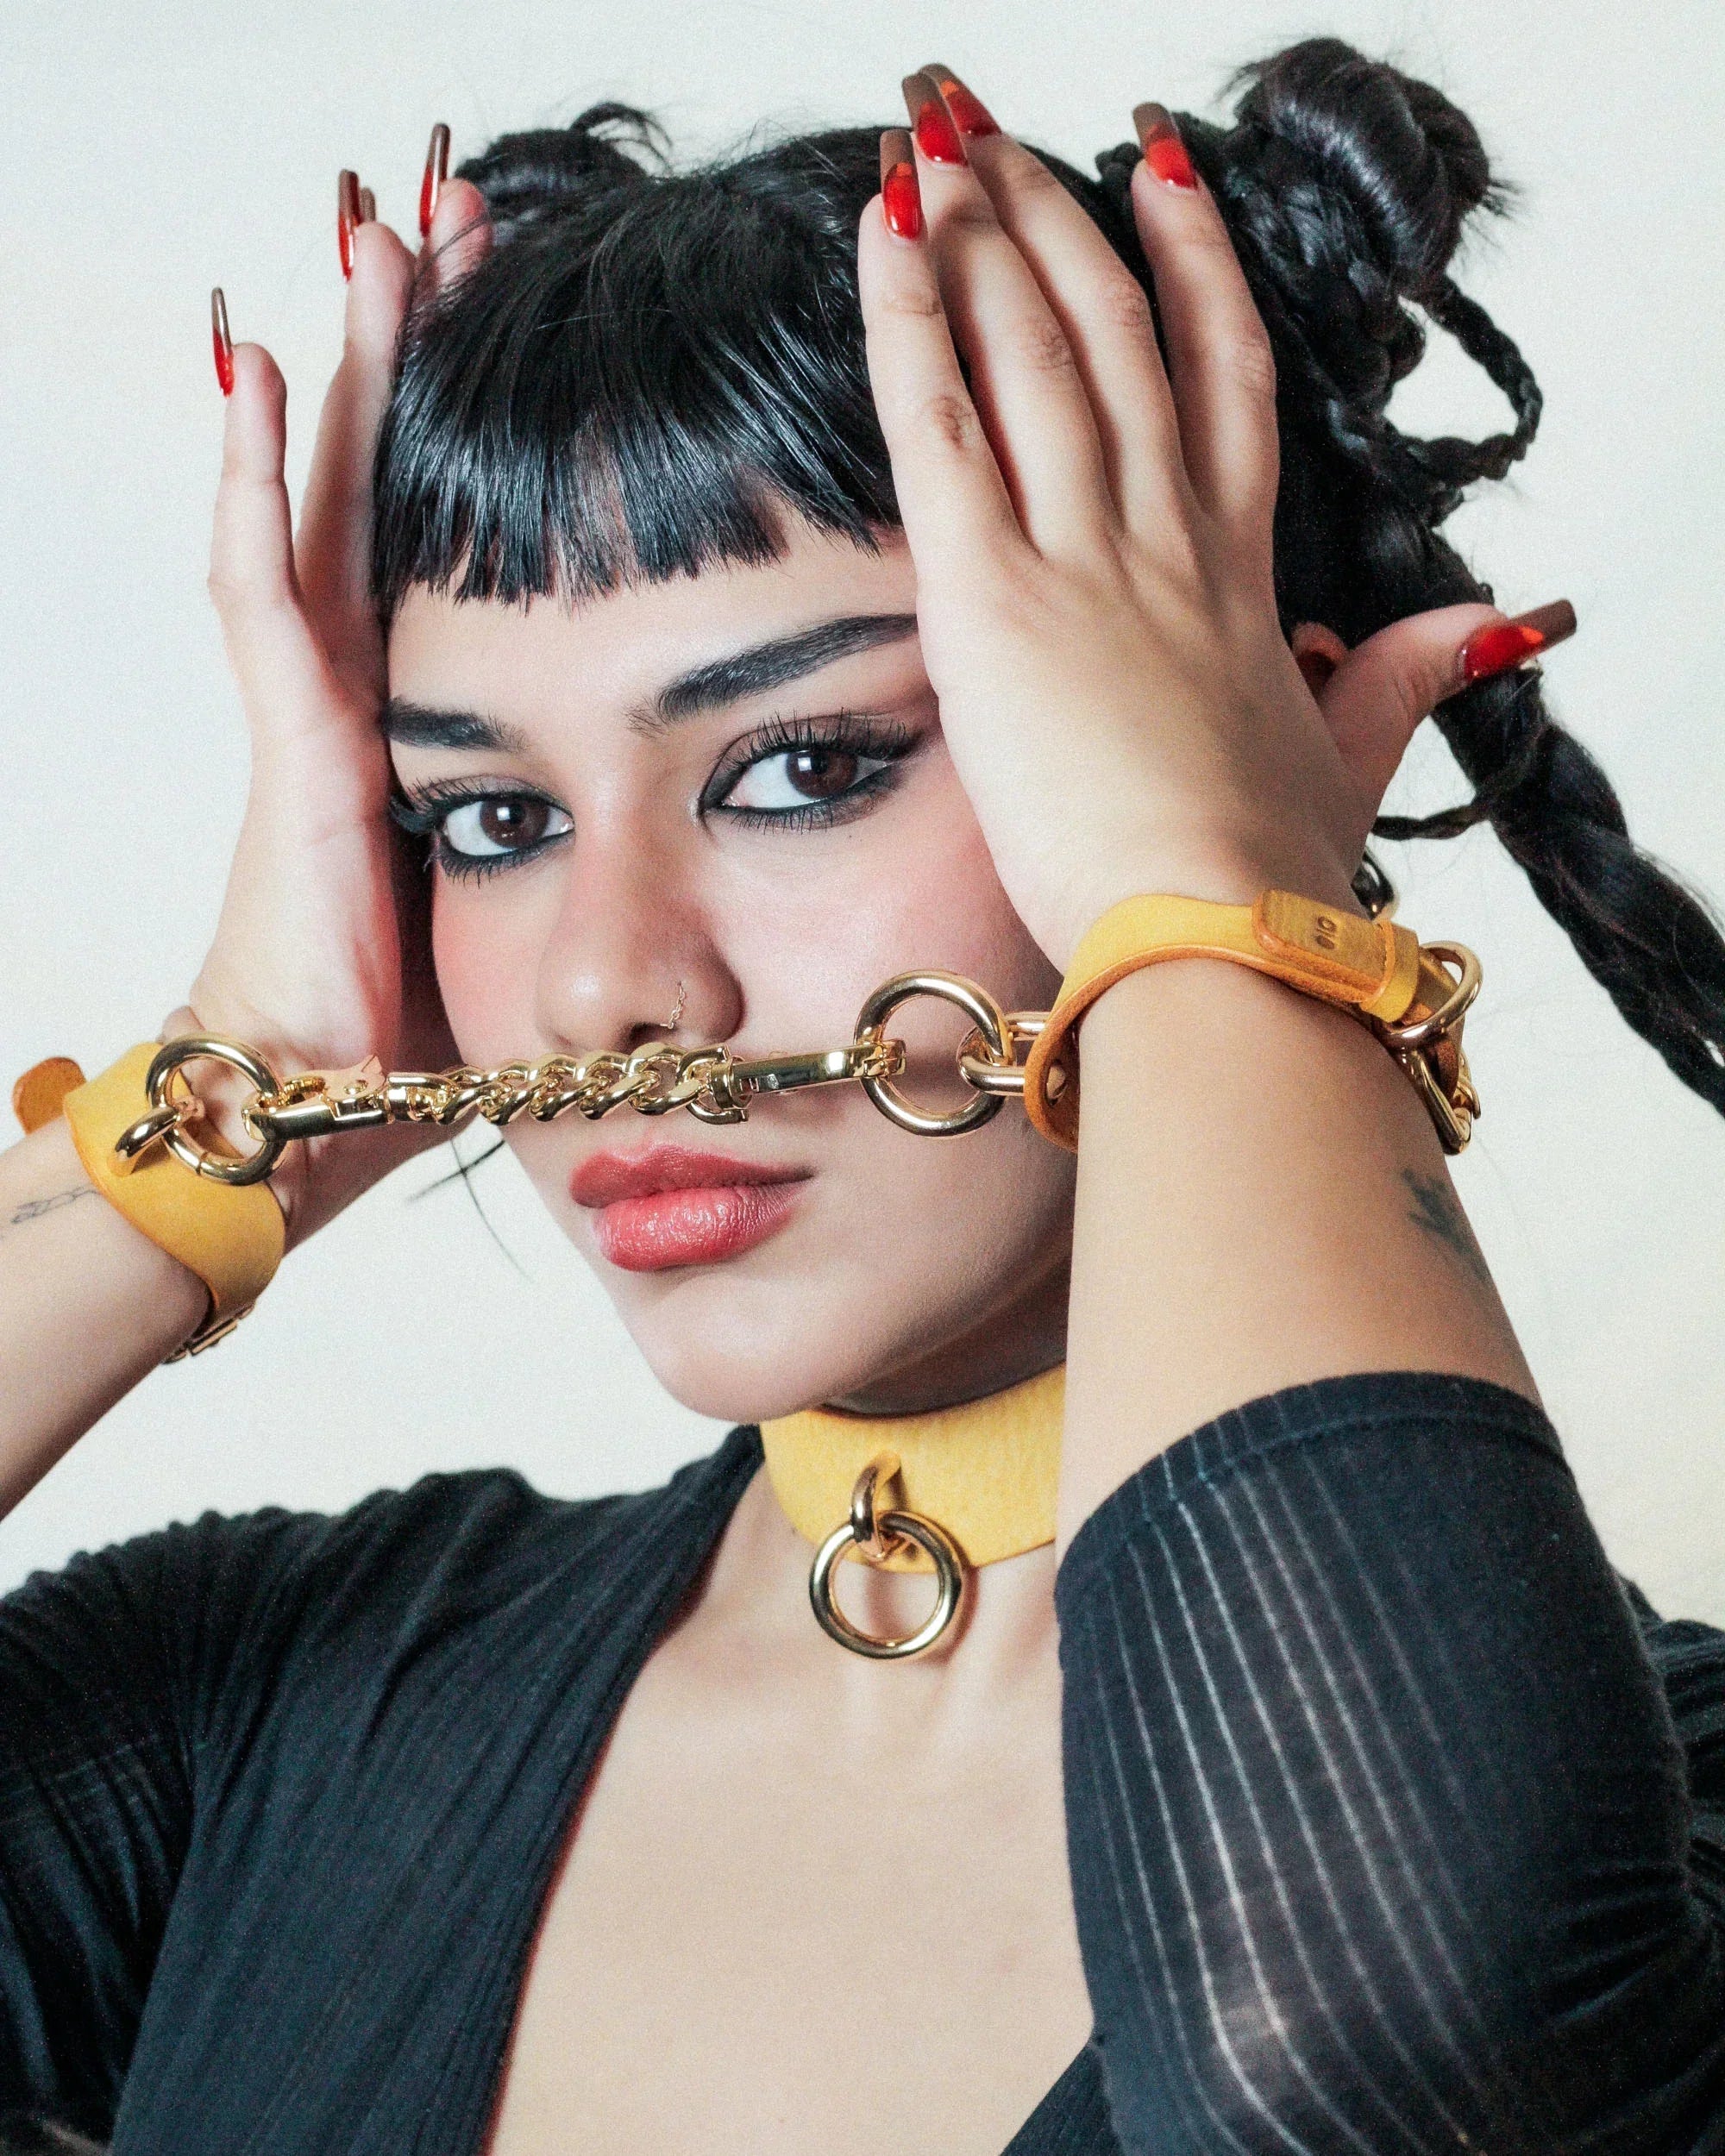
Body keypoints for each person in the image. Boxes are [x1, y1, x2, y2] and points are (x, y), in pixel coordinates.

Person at [2, 41, 1722, 2156]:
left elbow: (1376, 2064)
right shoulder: (258, 1695)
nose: (607, 980)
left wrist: (1210, 908)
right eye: (483, 818)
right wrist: (225, 1098)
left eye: (807, 764)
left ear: (1225, 742)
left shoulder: (1681, 1832)